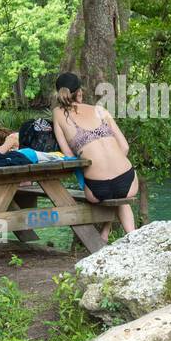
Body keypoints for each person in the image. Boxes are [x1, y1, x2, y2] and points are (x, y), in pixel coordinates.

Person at [50, 71, 138, 239]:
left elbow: (68, 155)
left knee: (111, 191)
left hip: (98, 189)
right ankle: (130, 235)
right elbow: (125, 147)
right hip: (127, 181)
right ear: (80, 92)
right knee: (120, 196)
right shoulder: (100, 110)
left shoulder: (58, 113)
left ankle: (104, 235)